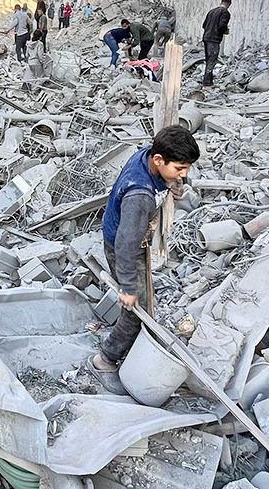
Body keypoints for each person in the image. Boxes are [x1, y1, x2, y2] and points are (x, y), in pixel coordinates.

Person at [90, 126, 200, 372]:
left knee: (141, 301)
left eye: (186, 168)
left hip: (121, 231)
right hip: (124, 246)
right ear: (159, 160)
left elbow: (170, 172)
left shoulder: (146, 154)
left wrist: (175, 182)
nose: (184, 174)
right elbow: (125, 246)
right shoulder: (139, 196)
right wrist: (128, 287)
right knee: (135, 310)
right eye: (180, 169)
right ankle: (106, 359)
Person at [201, 0, 232, 86]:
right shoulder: (225, 13)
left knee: (208, 60)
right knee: (212, 60)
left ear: (221, 2)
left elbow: (204, 25)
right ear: (228, 5)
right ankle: (207, 83)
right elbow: (222, 26)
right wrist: (225, 30)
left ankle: (209, 81)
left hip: (206, 38)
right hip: (214, 39)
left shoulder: (211, 11)